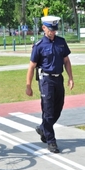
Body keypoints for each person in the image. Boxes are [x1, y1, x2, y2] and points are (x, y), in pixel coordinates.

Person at [26, 15, 74, 153]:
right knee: (48, 110)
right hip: (46, 80)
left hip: (59, 79)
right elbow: (31, 67)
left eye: (54, 30)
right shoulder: (39, 46)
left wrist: (71, 77)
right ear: (43, 28)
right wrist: (28, 85)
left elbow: (66, 61)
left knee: (58, 109)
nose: (53, 32)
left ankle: (43, 129)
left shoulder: (61, 42)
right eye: (50, 30)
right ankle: (51, 141)